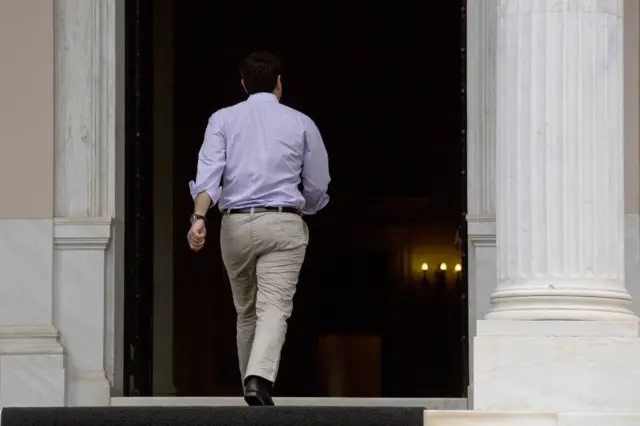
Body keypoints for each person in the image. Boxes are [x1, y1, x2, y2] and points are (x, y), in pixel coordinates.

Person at [186, 51, 330, 406]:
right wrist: (308, 207)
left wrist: (198, 219)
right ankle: (258, 379)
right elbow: (317, 182)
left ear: (244, 85)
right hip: (282, 222)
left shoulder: (222, 119)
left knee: (246, 311)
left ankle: (251, 387)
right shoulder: (300, 122)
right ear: (279, 83)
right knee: (274, 306)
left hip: (234, 224)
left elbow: (209, 174)